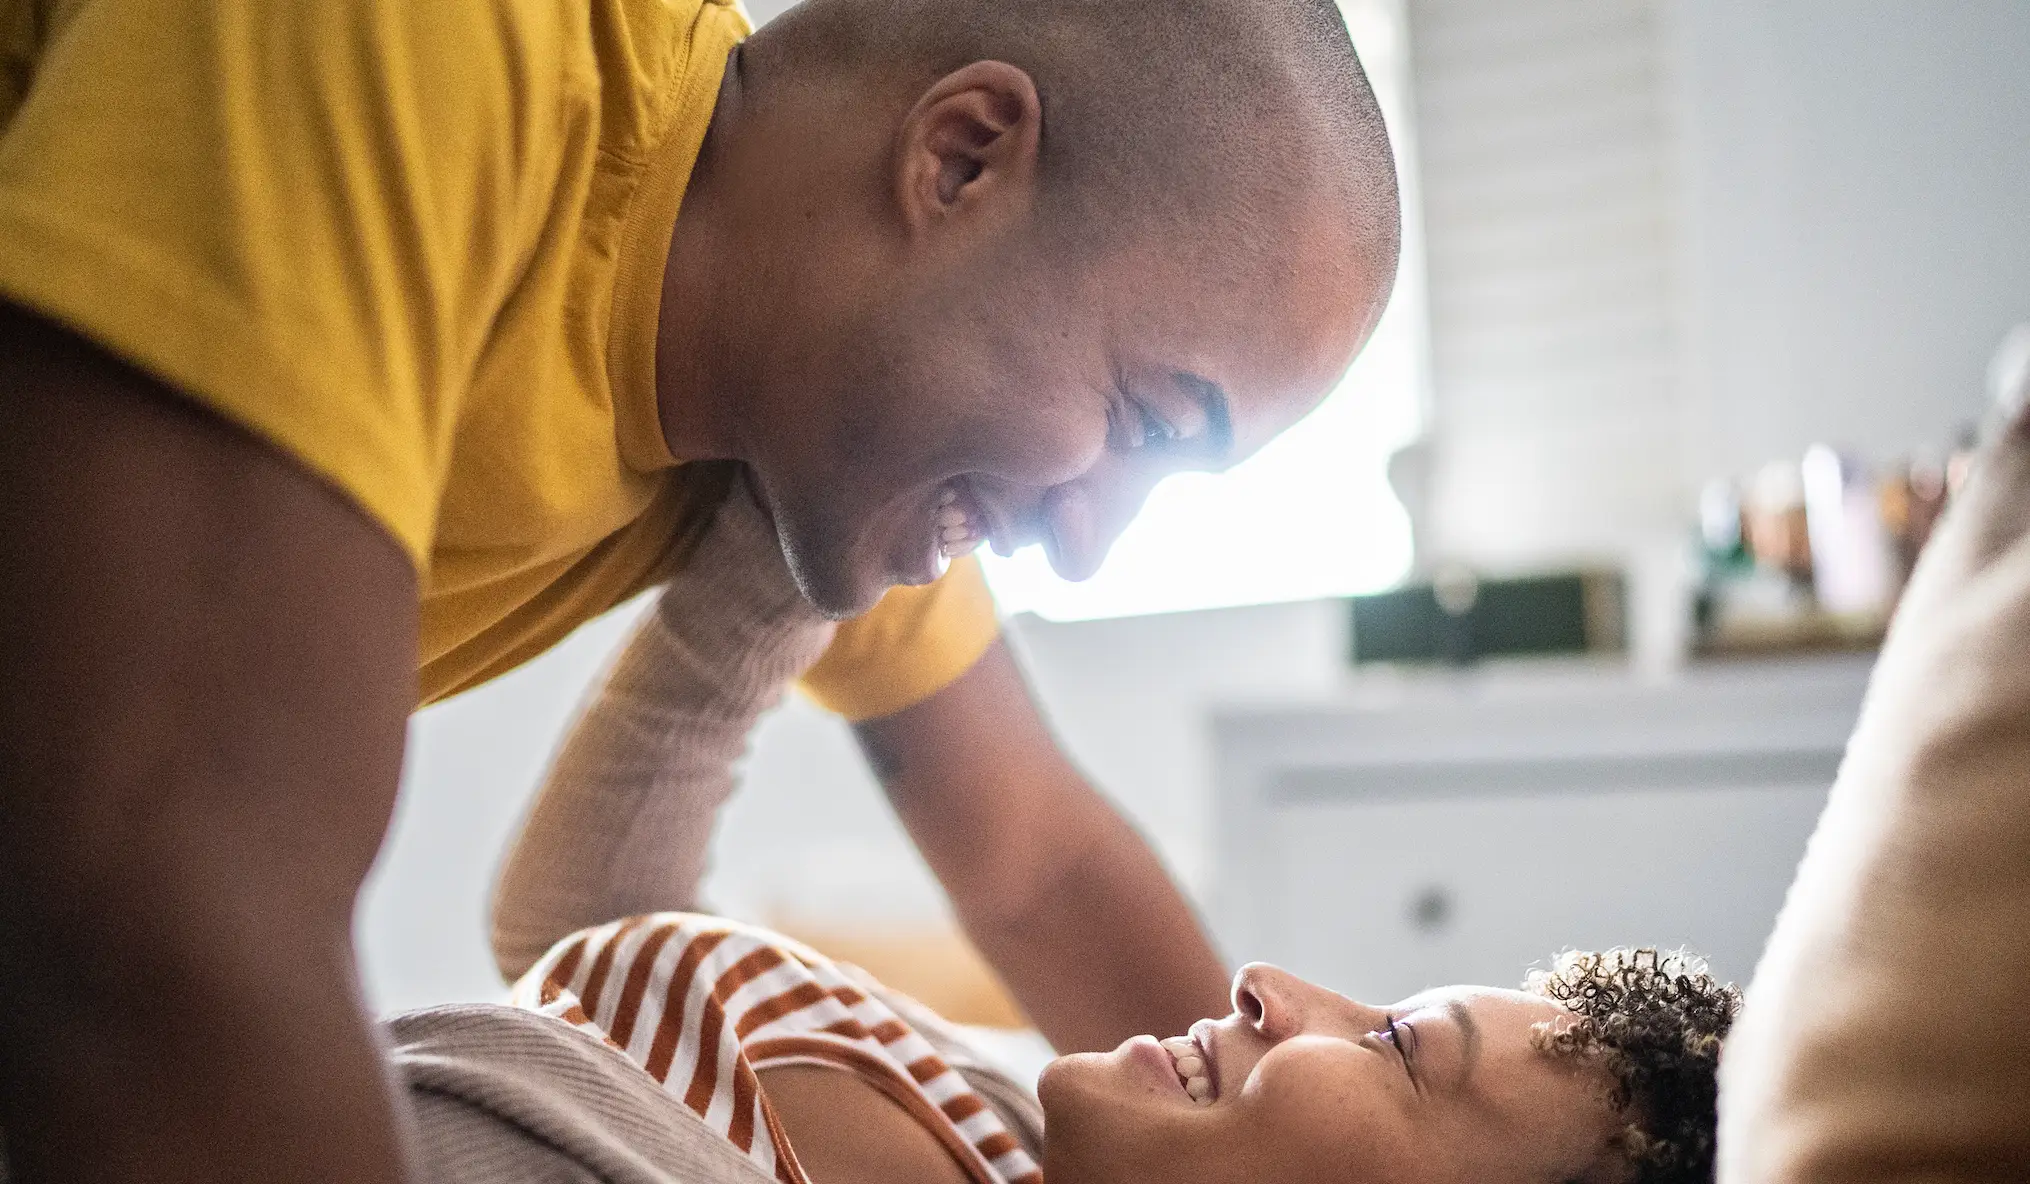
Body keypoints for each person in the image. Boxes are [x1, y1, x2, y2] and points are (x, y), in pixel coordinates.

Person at [0, 0, 1400, 1176]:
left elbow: (1037, 863)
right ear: (962, 159)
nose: (1090, 543)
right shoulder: (437, 40)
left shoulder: (815, 424)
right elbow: (164, 907)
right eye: (1146, 422)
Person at [460, 483, 1739, 1184]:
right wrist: (798, 531)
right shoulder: (1022, 1127)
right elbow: (586, 958)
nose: (1268, 982)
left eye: (1400, 1047)